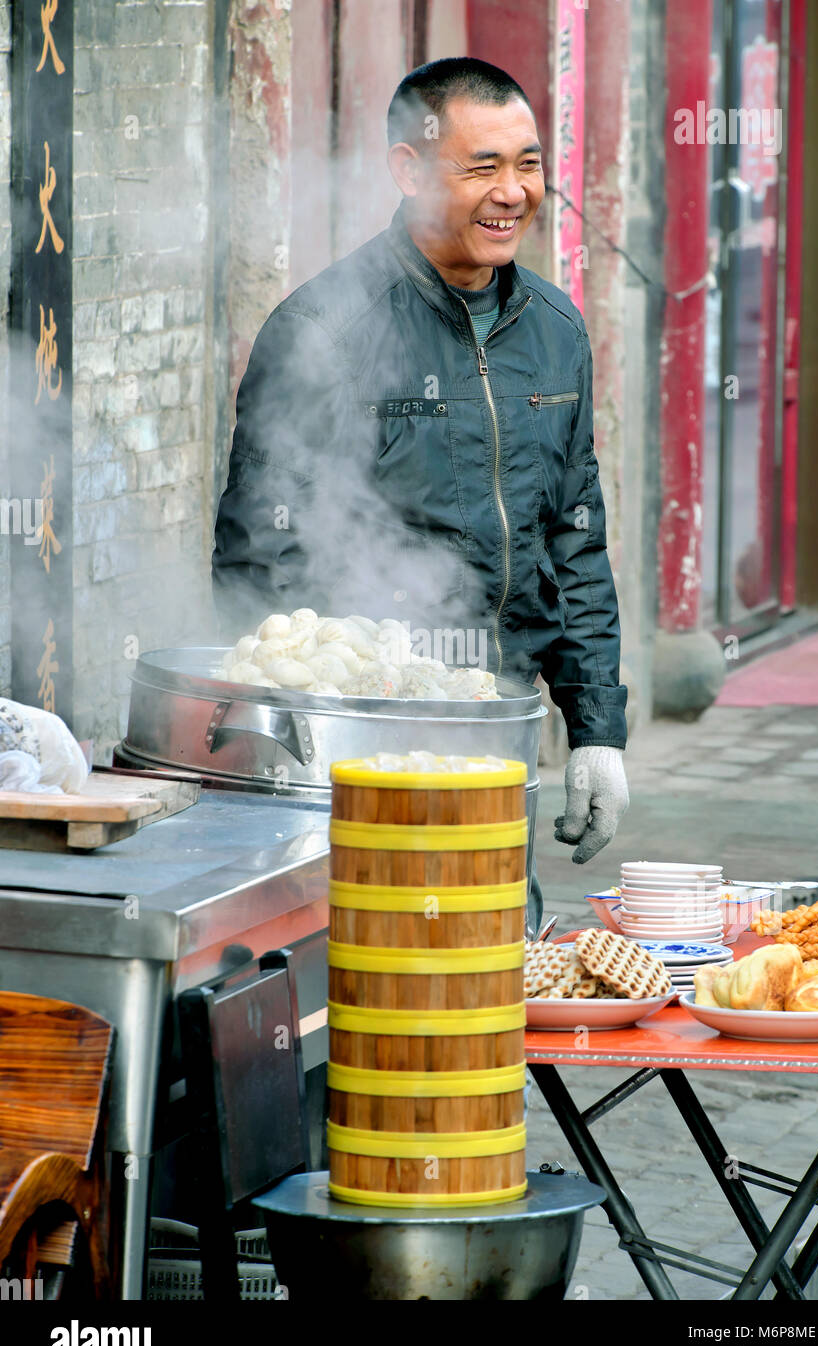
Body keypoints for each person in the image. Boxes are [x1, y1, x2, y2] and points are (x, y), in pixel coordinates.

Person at [212, 57, 629, 933]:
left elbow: (572, 538)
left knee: (487, 996)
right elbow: (261, 562)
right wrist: (310, 747)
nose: (513, 191)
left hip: (499, 736)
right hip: (365, 757)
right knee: (380, 1011)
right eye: (482, 167)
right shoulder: (325, 331)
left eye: (527, 162)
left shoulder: (555, 334)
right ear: (409, 170)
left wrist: (595, 729)